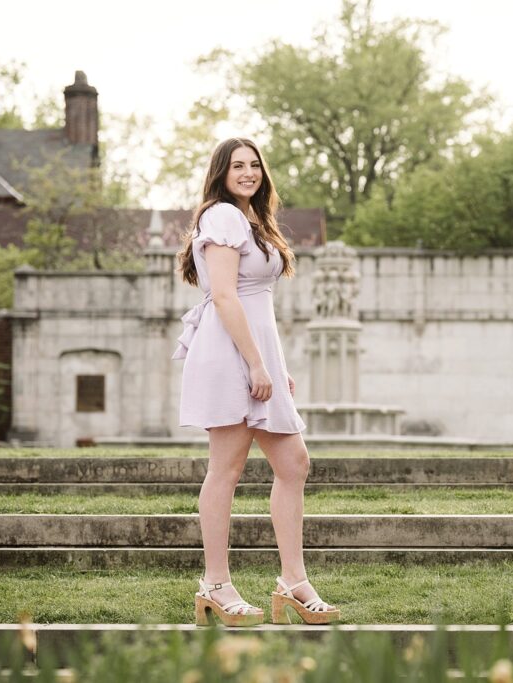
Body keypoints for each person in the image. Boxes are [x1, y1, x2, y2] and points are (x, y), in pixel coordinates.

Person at [173, 137, 340, 627]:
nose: (248, 172)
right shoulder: (222, 216)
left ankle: (292, 581)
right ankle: (215, 584)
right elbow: (225, 297)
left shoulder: (253, 220)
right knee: (226, 468)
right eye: (237, 166)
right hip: (230, 356)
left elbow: (257, 301)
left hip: (253, 353)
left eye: (254, 165)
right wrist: (255, 364)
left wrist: (272, 362)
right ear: (220, 173)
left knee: (294, 463)